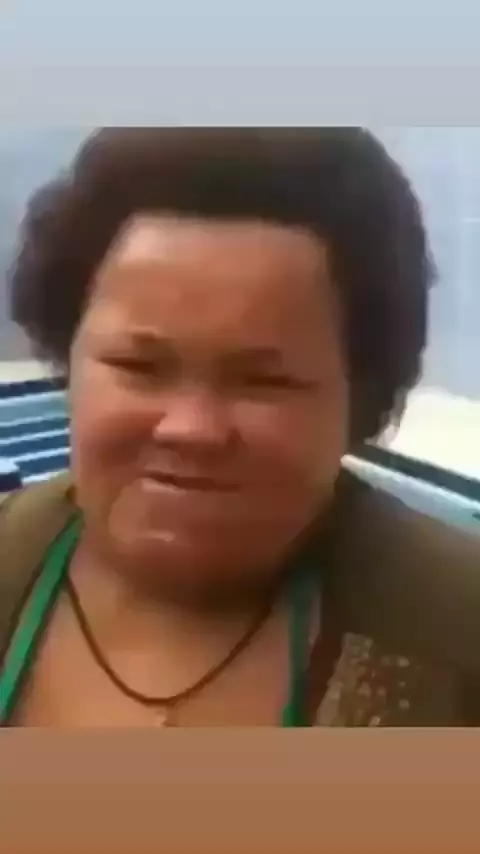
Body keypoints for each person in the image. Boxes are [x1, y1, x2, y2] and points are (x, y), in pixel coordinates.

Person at [1, 127, 479, 728]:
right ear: (66, 359)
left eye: (263, 381)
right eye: (139, 367)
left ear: (360, 395)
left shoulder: (458, 631)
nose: (192, 429)